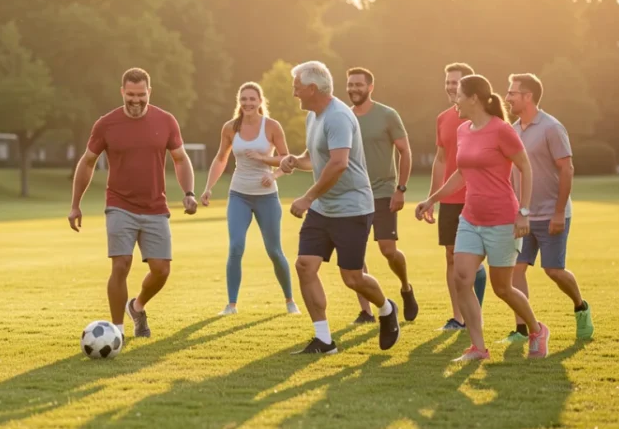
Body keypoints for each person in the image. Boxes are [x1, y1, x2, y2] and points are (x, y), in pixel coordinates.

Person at [416, 74, 549, 361]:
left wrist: (524, 212)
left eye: (459, 95)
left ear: (474, 98)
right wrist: (432, 199)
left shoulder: (501, 130)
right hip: (470, 219)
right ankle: (478, 347)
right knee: (462, 277)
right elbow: (462, 173)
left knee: (502, 288)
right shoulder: (463, 130)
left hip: (502, 219)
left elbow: (525, 168)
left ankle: (537, 330)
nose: (455, 100)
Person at [279, 61, 401, 355]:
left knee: (352, 278)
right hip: (324, 208)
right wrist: (296, 160)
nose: (294, 93)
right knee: (305, 266)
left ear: (312, 88)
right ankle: (324, 340)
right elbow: (316, 155)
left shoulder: (338, 117)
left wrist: (307, 197)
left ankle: (386, 309)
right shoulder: (314, 116)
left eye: (297, 87)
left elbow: (339, 162)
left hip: (352, 208)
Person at [68, 67, 198, 339]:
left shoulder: (166, 121)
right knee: (121, 264)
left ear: (149, 92)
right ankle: (117, 331)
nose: (136, 100)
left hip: (155, 206)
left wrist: (189, 192)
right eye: (130, 95)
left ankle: (137, 307)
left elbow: (180, 159)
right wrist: (75, 204)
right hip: (120, 204)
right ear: (122, 92)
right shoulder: (106, 124)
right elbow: (87, 162)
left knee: (161, 270)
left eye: (141, 95)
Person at [503, 73, 593, 341]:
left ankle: (580, 306)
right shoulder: (512, 130)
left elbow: (566, 169)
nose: (507, 98)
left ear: (527, 96)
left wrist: (558, 212)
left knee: (554, 270)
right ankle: (523, 329)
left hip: (552, 215)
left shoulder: (552, 127)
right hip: (524, 216)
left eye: (512, 93)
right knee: (516, 270)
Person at [200, 81, 299, 316]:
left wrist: (272, 173)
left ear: (260, 101)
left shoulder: (272, 126)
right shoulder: (230, 128)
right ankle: (231, 305)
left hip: (266, 197)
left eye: (252, 99)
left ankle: (290, 301)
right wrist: (208, 188)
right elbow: (221, 158)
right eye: (243, 99)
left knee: (274, 251)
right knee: (235, 247)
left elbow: (288, 160)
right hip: (239, 195)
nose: (248, 103)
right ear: (239, 102)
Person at [346, 67, 417, 323]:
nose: (354, 89)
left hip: (383, 193)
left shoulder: (387, 115)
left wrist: (401, 188)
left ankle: (406, 288)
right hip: (352, 195)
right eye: (350, 84)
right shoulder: (345, 117)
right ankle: (366, 311)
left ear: (370, 87)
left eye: (359, 84)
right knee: (354, 254)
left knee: (388, 250)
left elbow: (405, 152)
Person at [425, 62, 488, 331]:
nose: (451, 87)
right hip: (450, 199)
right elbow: (440, 160)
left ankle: (473, 308)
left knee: (472, 260)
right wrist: (432, 198)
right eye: (448, 81)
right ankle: (459, 318)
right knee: (451, 257)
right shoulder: (443, 118)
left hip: (477, 196)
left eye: (456, 82)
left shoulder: (482, 118)